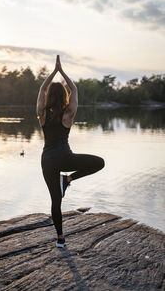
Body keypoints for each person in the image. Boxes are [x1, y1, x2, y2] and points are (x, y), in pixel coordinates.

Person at [36, 55, 105, 248]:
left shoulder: (42, 113)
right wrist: (62, 71)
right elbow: (74, 89)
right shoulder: (69, 114)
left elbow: (42, 89)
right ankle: (68, 179)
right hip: (65, 158)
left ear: (49, 97)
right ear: (64, 96)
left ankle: (60, 239)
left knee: (55, 201)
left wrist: (53, 72)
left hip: (47, 161)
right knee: (99, 163)